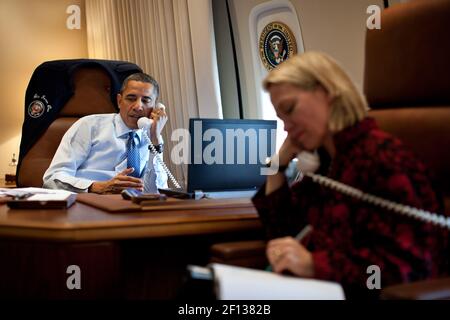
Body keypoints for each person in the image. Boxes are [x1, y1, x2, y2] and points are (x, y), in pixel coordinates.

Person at [252, 51, 448, 299]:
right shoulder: (327, 163)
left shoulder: (382, 159)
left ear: (328, 91)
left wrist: (315, 264)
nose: (287, 127)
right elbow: (282, 230)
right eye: (281, 118)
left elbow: (411, 270)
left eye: (290, 109)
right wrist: (277, 165)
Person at [43, 72, 168, 194]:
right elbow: (52, 179)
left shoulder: (152, 138)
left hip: (133, 209)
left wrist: (155, 140)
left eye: (146, 101)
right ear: (119, 101)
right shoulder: (89, 126)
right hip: (89, 204)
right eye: (131, 98)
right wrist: (97, 187)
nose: (138, 107)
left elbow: (158, 189)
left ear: (155, 107)